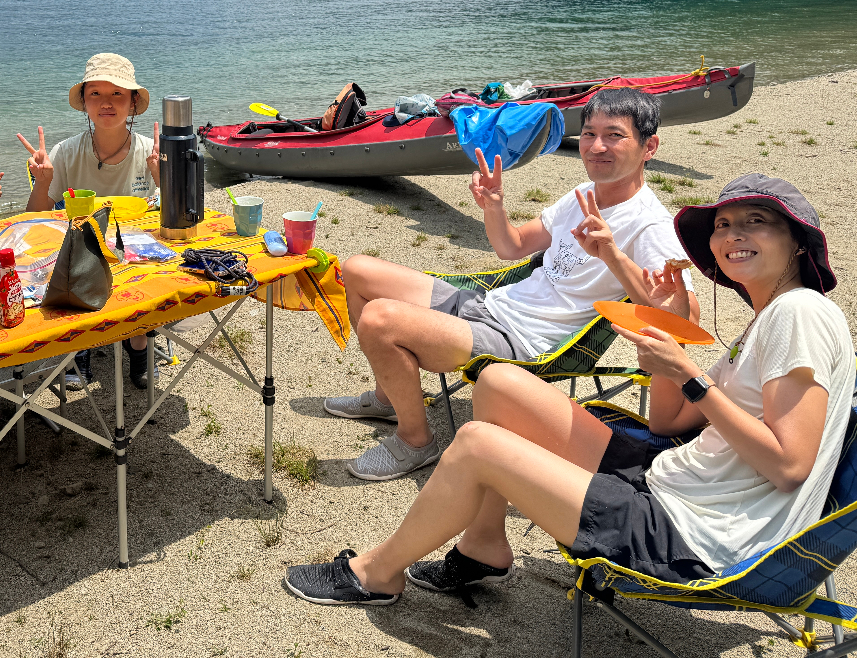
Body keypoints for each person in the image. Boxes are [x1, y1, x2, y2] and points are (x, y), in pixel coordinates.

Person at [283, 174, 853, 610]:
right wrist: (662, 344)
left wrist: (693, 376)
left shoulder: (798, 314)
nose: (733, 236)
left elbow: (789, 466)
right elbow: (665, 425)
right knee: (500, 381)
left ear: (799, 244)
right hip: (676, 475)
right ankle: (484, 544)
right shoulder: (773, 315)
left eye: (756, 222)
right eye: (725, 225)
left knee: (479, 443)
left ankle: (377, 575)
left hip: (695, 534)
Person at [326, 88, 698, 481]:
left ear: (649, 146)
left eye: (614, 135)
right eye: (589, 133)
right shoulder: (583, 195)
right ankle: (390, 397)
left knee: (381, 320)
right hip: (493, 304)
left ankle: (415, 441)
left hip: (527, 342)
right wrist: (495, 207)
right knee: (357, 269)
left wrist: (613, 256)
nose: (596, 146)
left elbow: (683, 321)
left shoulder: (650, 226)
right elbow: (512, 246)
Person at [17, 53, 161, 389]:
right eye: (95, 93)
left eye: (117, 94)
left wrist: (163, 177)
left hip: (134, 252)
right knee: (68, 257)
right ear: (84, 101)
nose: (106, 103)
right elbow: (34, 221)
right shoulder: (66, 152)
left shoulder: (151, 152)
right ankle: (80, 346)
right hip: (80, 253)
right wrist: (42, 182)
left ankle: (139, 345)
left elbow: (176, 224)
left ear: (133, 102)